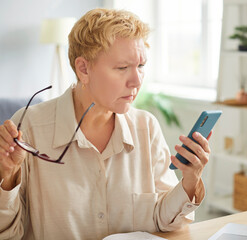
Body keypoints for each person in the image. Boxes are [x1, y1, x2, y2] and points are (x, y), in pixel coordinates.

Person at [0, 8, 212, 240]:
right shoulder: (29, 127)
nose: (137, 81)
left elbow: (163, 218)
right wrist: (7, 174)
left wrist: (190, 181)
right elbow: (9, 233)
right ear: (83, 69)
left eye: (140, 66)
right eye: (122, 68)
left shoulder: (146, 127)